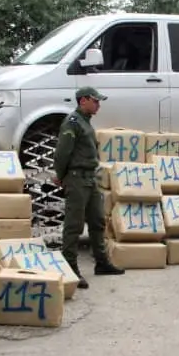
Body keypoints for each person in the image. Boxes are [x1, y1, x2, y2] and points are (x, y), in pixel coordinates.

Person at [53, 87, 124, 288]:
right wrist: (60, 175)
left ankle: (101, 263)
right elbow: (62, 153)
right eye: (95, 101)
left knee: (97, 220)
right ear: (83, 100)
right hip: (76, 178)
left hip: (90, 178)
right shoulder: (72, 122)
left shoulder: (85, 122)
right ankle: (70, 268)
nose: (98, 105)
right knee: (74, 225)